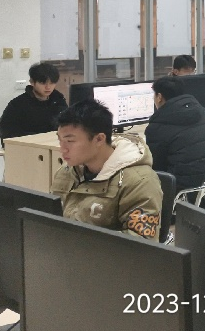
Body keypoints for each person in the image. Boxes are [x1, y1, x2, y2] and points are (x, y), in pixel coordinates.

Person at [52, 100, 163, 239]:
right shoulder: (67, 171)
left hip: (98, 252)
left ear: (99, 139)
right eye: (60, 140)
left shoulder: (140, 182)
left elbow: (141, 243)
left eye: (70, 141)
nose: (62, 149)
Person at [144, 76, 205, 191]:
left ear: (159, 97)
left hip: (184, 190)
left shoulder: (156, 127)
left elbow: (156, 165)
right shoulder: (202, 112)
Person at [0, 62, 68, 144]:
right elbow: (8, 133)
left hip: (56, 145)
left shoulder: (59, 101)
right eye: (43, 83)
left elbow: (68, 124)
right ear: (32, 82)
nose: (48, 87)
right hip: (29, 146)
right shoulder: (18, 104)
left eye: (52, 83)